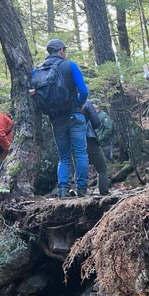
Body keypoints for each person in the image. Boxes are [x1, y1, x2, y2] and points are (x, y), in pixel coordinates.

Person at [30, 38, 89, 199]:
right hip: (74, 115)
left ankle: (63, 190)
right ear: (61, 51)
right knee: (80, 154)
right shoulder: (70, 66)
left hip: (56, 119)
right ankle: (82, 189)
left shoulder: (38, 71)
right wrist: (78, 105)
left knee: (63, 156)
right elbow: (84, 91)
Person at [83, 99, 110, 195]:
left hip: (74, 139)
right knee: (102, 168)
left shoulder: (67, 100)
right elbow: (96, 123)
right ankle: (104, 191)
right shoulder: (86, 102)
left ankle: (81, 190)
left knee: (80, 164)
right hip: (90, 139)